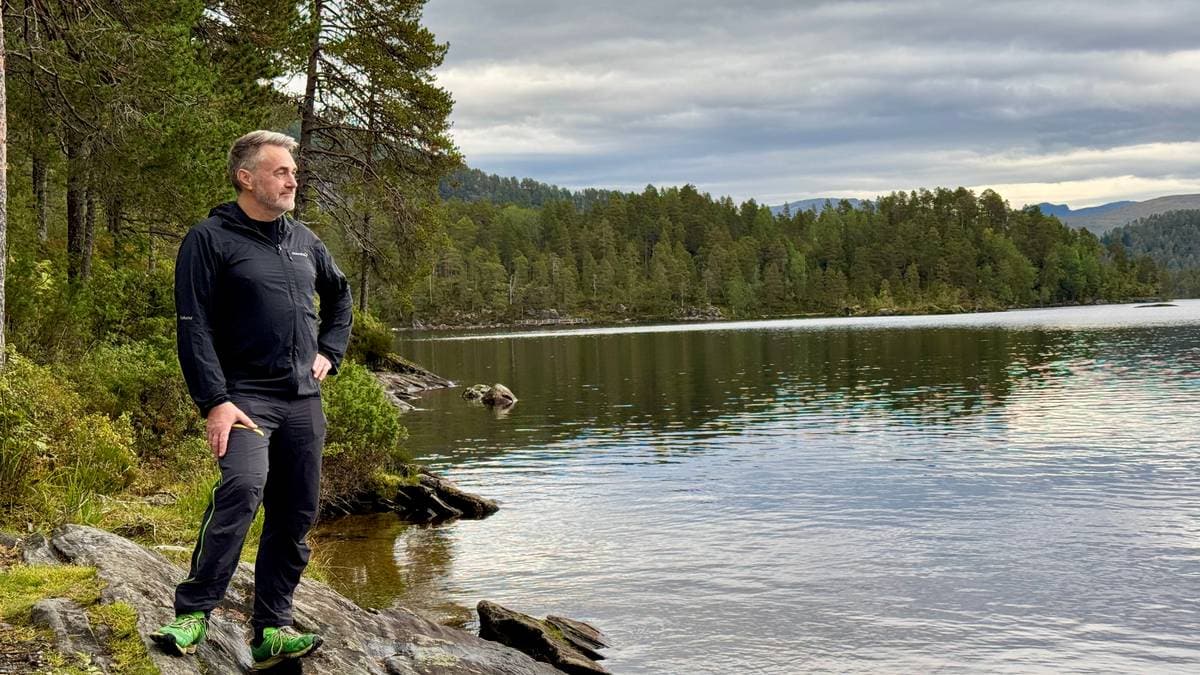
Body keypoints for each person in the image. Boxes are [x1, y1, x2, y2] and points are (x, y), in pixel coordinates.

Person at [150, 130, 353, 670]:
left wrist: (330, 350)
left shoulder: (305, 240)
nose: (292, 180)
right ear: (247, 177)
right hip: (244, 399)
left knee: (296, 511)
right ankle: (194, 612)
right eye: (281, 171)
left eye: (292, 172)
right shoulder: (210, 239)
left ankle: (272, 628)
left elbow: (340, 296)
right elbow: (192, 327)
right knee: (241, 487)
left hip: (303, 399)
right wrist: (214, 400)